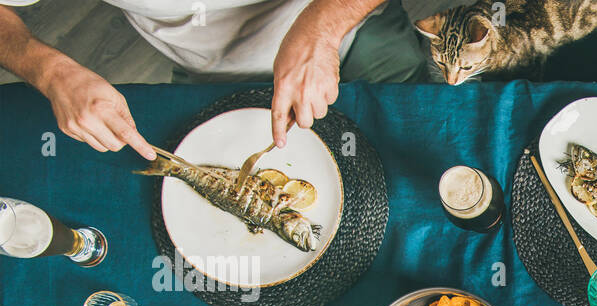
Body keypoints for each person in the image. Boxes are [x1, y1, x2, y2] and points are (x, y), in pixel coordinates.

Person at [0, 0, 426, 159]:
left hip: (355, 29)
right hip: (214, 70)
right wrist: (50, 71)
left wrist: (321, 27)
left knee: (422, 144)